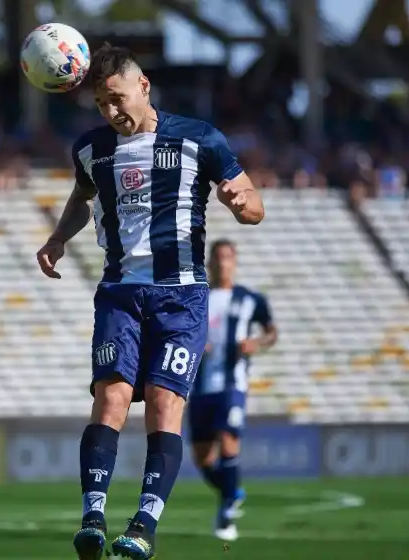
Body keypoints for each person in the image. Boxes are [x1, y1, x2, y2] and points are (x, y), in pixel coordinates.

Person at [35, 44, 264, 560]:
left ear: (143, 87)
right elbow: (82, 196)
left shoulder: (200, 139)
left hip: (180, 297)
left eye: (116, 98)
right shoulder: (92, 149)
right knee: (110, 399)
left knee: (163, 407)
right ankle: (93, 516)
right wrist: (57, 238)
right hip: (118, 293)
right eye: (99, 104)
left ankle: (144, 524)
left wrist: (242, 202)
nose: (110, 112)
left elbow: (254, 206)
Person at [187, 240, 278, 542]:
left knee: (228, 441)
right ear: (210, 263)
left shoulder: (249, 299)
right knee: (202, 458)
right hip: (200, 387)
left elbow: (271, 331)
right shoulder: (196, 297)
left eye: (227, 257)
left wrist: (256, 343)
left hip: (232, 384)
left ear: (235, 261)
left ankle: (225, 513)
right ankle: (231, 489)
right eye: (217, 258)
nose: (222, 263)